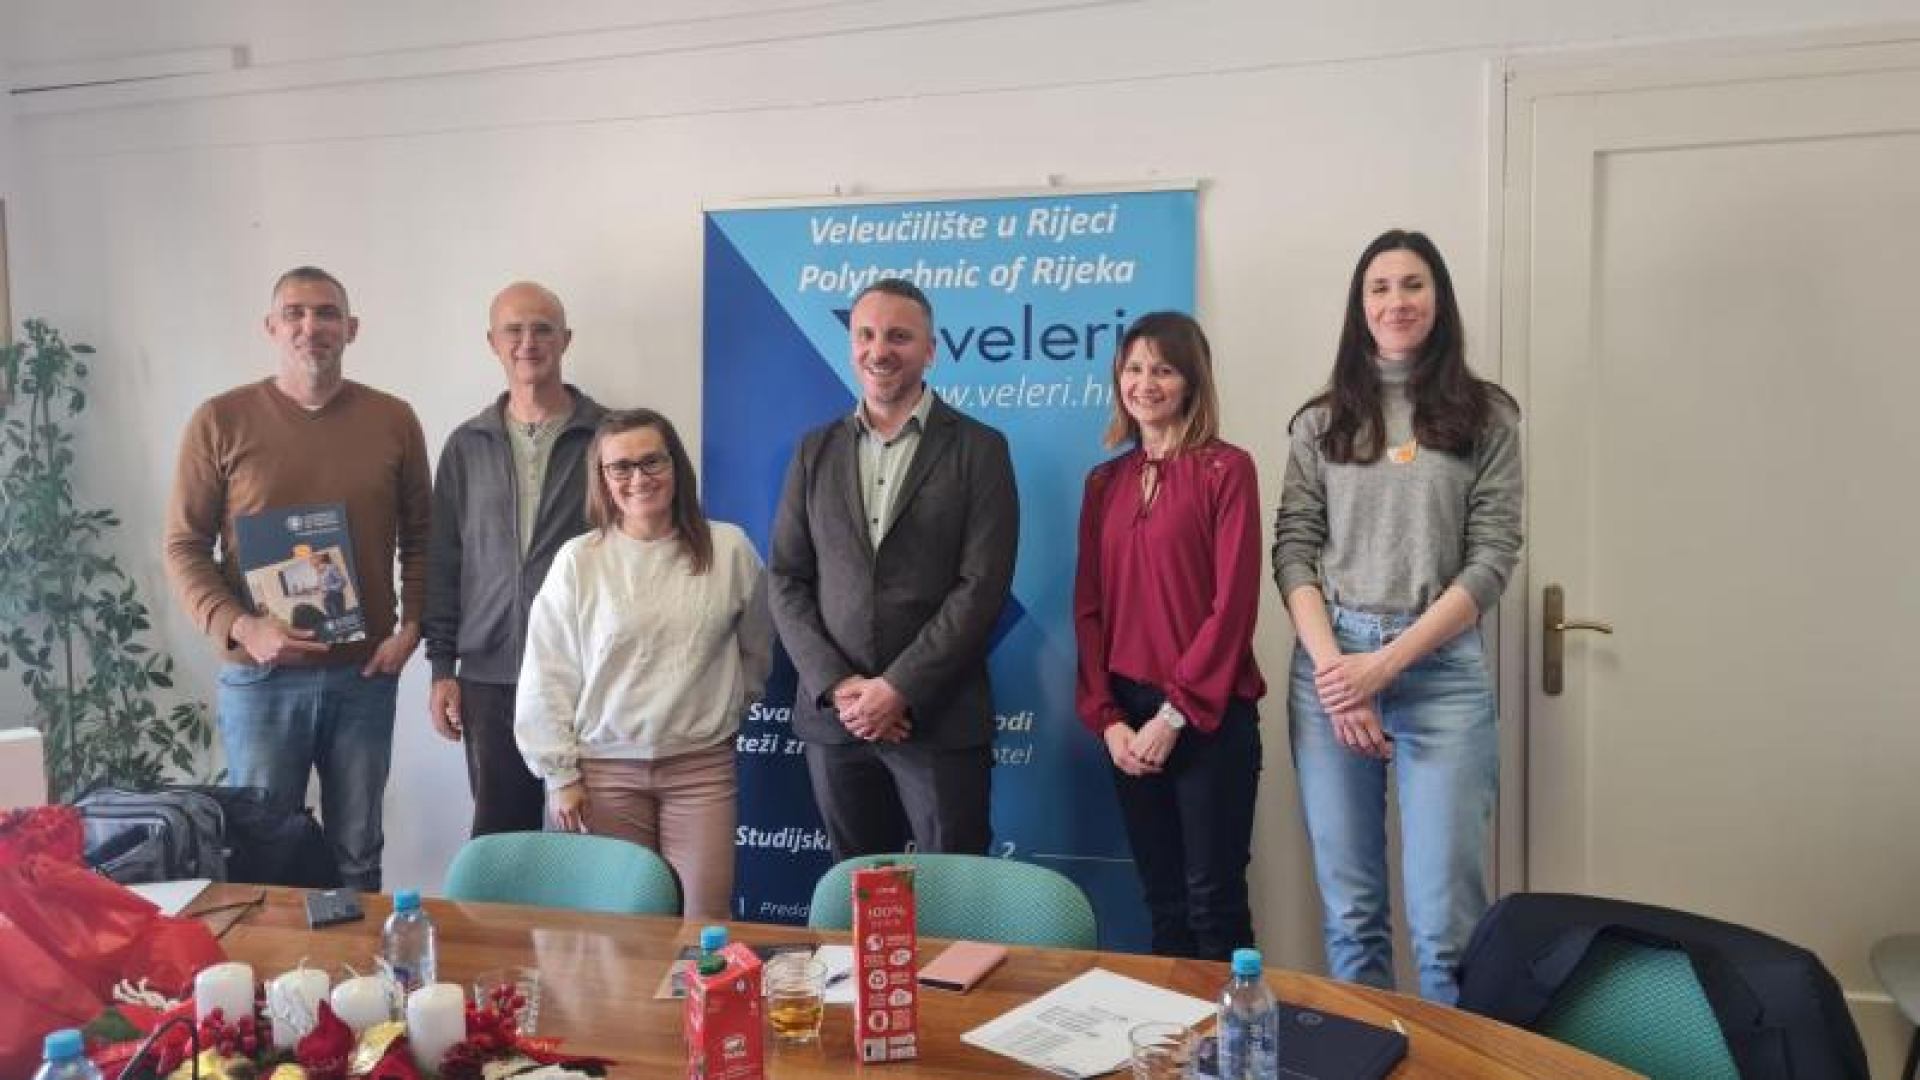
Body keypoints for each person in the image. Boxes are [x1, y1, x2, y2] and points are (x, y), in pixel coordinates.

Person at [1272, 229, 1523, 1004]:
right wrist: (1338, 675)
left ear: (1438, 299)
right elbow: (1294, 549)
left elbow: (1491, 559)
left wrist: (1385, 665)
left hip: (1439, 675)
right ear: (1360, 305)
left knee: (1447, 927)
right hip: (1330, 666)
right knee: (1352, 918)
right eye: (1379, 287)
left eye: (1412, 285)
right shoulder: (1320, 423)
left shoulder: (1488, 416)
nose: (1396, 301)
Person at [164, 266, 431, 891]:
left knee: (358, 855)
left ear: (351, 328)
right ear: (272, 327)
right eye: (295, 313)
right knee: (259, 857)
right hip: (261, 679)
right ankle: (271, 989)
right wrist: (241, 626)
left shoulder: (393, 419)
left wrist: (411, 627)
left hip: (365, 677)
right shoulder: (219, 420)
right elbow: (183, 545)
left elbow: (423, 538)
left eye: (327, 313)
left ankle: (361, 987)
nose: (311, 327)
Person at [769, 278, 1019, 861]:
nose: (879, 350)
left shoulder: (980, 449)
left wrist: (898, 688)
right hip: (838, 722)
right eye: (867, 334)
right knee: (858, 901)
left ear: (930, 349)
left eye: (899, 337)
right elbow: (786, 577)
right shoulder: (814, 451)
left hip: (939, 717)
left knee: (954, 905)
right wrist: (840, 687)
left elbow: (982, 586)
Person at [515, 409, 770, 920]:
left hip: (701, 769)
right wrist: (560, 775)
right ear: (603, 479)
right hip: (603, 773)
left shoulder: (730, 549)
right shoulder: (579, 560)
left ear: (676, 465)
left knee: (705, 930)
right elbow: (548, 675)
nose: (638, 479)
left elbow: (756, 651)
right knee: (619, 934)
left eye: (652, 461)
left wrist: (719, 712)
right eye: (621, 468)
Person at [1073, 312, 1266, 961]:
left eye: (1163, 368)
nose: (1145, 382)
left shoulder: (1226, 470)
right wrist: (1108, 720)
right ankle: (1175, 1055)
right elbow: (1090, 611)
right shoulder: (1105, 484)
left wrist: (1173, 715)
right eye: (1133, 368)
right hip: (1127, 721)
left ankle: (1231, 1055)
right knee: (1162, 901)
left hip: (1207, 721)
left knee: (1213, 903)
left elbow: (1233, 607)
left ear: (1191, 381)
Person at [423, 281, 607, 837]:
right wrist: (441, 668)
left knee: (593, 839)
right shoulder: (466, 444)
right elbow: (444, 560)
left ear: (565, 339)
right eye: (514, 330)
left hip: (587, 672)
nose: (528, 341)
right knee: (502, 840)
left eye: (542, 328)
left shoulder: (607, 437)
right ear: (492, 342)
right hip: (489, 677)